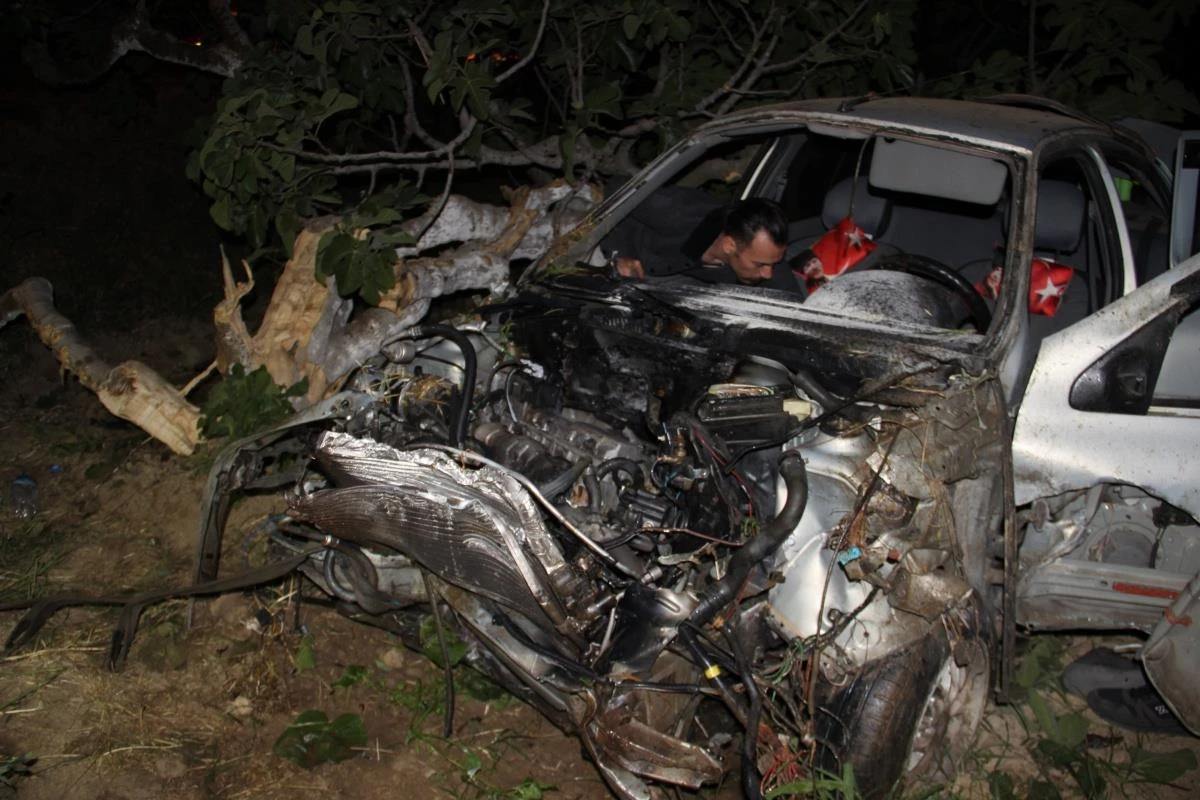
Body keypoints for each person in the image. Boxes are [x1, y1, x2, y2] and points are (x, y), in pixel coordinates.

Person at [604, 195, 801, 292]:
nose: (768, 273)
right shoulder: (676, 213)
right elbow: (614, 194)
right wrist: (622, 254)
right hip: (635, 256)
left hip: (675, 286)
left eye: (773, 263)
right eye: (760, 265)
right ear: (729, 246)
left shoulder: (768, 258)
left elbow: (795, 310)